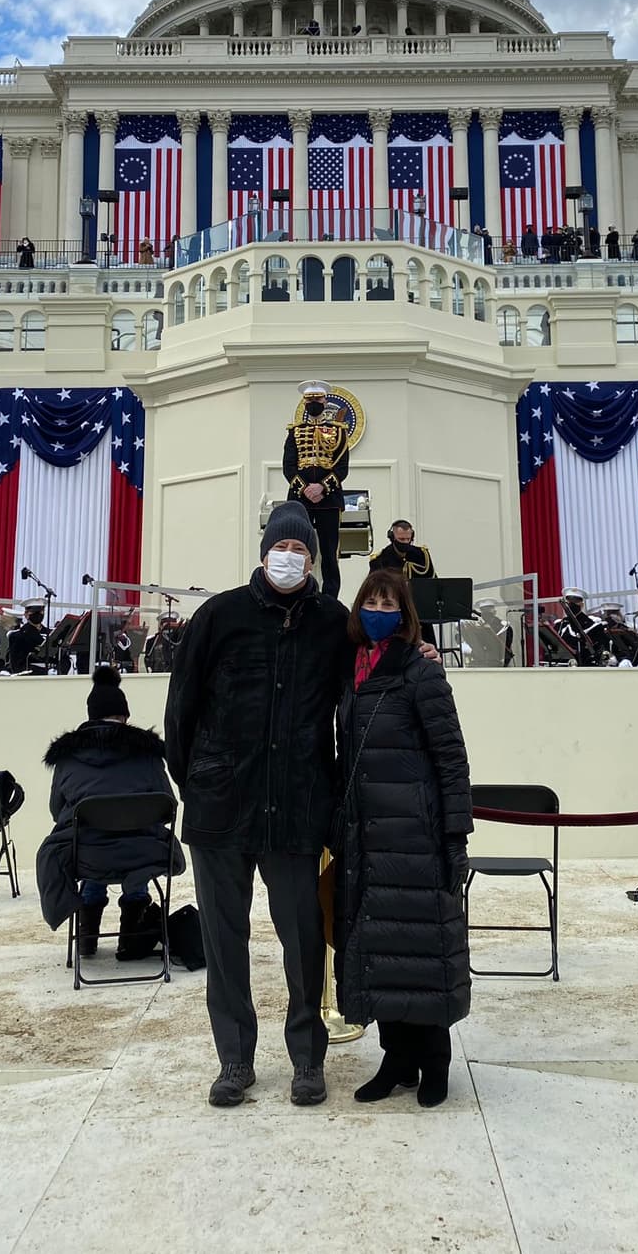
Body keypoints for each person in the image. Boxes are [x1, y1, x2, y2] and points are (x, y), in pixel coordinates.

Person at [165, 503, 349, 1109]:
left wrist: (417, 653)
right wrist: (198, 780)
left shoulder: (332, 622)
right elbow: (181, 711)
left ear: (314, 558)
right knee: (224, 939)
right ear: (264, 550)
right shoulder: (219, 616)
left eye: (301, 549)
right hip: (222, 809)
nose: (290, 557)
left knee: (302, 937)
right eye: (281, 546)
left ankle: (306, 1060)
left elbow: (359, 695)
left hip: (298, 808)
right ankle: (235, 1059)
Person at [334, 569, 472, 1108]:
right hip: (366, 837)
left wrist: (455, 836)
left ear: (406, 611)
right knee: (381, 950)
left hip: (416, 834)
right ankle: (395, 1059)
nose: (379, 609)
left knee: (424, 950)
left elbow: (452, 760)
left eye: (389, 601)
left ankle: (434, 1061)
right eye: (371, 600)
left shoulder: (422, 672)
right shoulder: (351, 672)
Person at [37, 667, 184, 956]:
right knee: (134, 843)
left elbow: (57, 811)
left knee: (89, 837)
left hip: (88, 858)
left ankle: (87, 937)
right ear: (125, 716)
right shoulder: (147, 753)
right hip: (144, 852)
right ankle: (130, 937)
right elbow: (166, 806)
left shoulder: (66, 757)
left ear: (90, 717)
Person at [282, 380, 349, 600]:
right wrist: (305, 490)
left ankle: (330, 598)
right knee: (297, 547)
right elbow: (289, 467)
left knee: (329, 553)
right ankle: (295, 592)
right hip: (300, 499)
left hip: (328, 499)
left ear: (325, 400)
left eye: (317, 399)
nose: (313, 403)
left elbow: (341, 468)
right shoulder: (294, 432)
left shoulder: (339, 432)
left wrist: (321, 487)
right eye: (309, 400)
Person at [555, 588, 609, 667]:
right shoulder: (560, 625)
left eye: (575, 601)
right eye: (569, 601)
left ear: (582, 604)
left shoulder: (594, 627)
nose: (571, 604)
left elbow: (598, 651)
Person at [370, 520, 435, 582]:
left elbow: (433, 581)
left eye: (408, 539)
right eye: (402, 539)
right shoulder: (381, 559)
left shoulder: (422, 554)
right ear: (392, 537)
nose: (406, 542)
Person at [7, 596, 49, 673]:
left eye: (40, 611)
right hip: (33, 675)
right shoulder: (17, 636)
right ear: (26, 614)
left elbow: (62, 657)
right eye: (34, 612)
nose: (37, 614)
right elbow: (18, 664)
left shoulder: (50, 633)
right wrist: (45, 671)